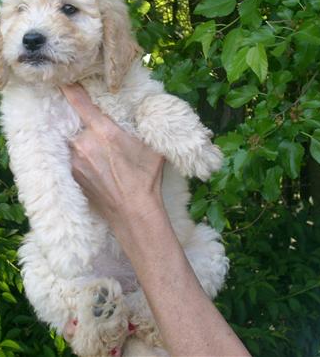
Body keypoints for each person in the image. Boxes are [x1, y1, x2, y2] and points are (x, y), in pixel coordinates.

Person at [60, 83, 251, 357]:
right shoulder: (33, 102)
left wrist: (180, 136)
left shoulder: (133, 83)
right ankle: (100, 326)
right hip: (93, 261)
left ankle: (142, 323)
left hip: (171, 263)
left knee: (208, 253)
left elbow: (147, 102)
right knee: (43, 259)